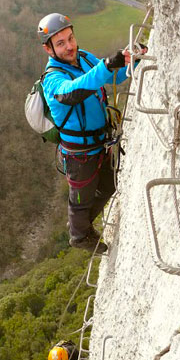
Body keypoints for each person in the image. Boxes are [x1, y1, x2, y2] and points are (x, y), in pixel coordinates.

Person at [38, 13, 146, 254]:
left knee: (109, 185)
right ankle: (78, 234)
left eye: (70, 38)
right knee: (80, 199)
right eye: (61, 43)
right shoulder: (52, 79)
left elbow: (113, 75)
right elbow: (72, 92)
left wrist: (132, 61)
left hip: (101, 142)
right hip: (79, 154)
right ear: (49, 49)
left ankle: (81, 224)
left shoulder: (84, 58)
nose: (69, 46)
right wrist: (106, 65)